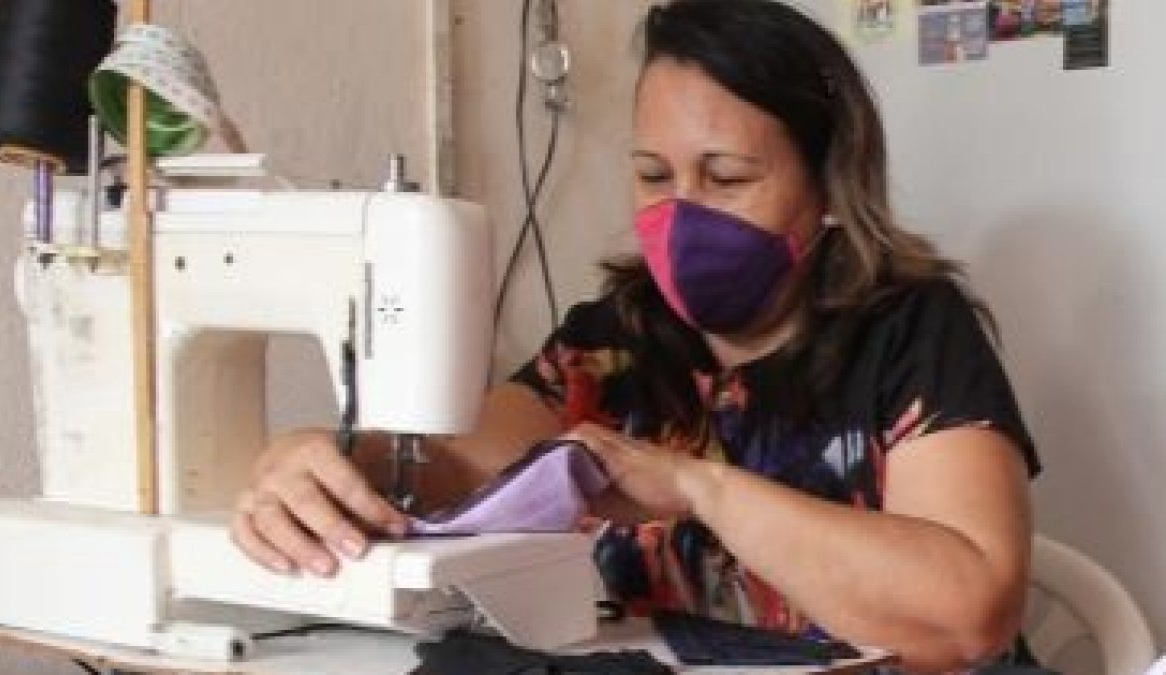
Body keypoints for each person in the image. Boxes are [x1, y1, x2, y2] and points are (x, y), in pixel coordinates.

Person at [231, 1, 1039, 672]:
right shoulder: (609, 343)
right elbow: (461, 467)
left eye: (725, 177)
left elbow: (967, 611)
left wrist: (699, 488)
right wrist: (333, 457)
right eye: (654, 175)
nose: (680, 213)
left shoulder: (913, 332)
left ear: (830, 183)